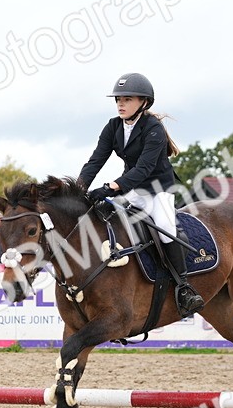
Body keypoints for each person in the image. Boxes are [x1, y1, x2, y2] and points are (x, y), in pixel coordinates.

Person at [78, 72, 203, 317]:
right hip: (133, 191)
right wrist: (79, 189)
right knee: (106, 219)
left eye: (127, 99)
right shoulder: (113, 126)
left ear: (144, 102)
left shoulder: (153, 128)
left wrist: (112, 187)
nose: (120, 104)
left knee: (166, 229)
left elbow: (143, 169)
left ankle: (184, 287)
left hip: (158, 190)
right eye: (118, 100)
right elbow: (96, 160)